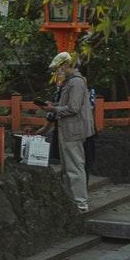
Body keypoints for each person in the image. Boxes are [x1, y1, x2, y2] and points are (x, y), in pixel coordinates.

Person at [47, 52, 93, 212]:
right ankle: (71, 201)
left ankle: (80, 202)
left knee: (75, 166)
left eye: (58, 68)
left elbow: (73, 107)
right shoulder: (70, 82)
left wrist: (54, 108)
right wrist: (54, 106)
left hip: (73, 130)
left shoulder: (76, 83)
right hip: (67, 130)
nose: (57, 72)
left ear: (66, 65)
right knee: (68, 167)